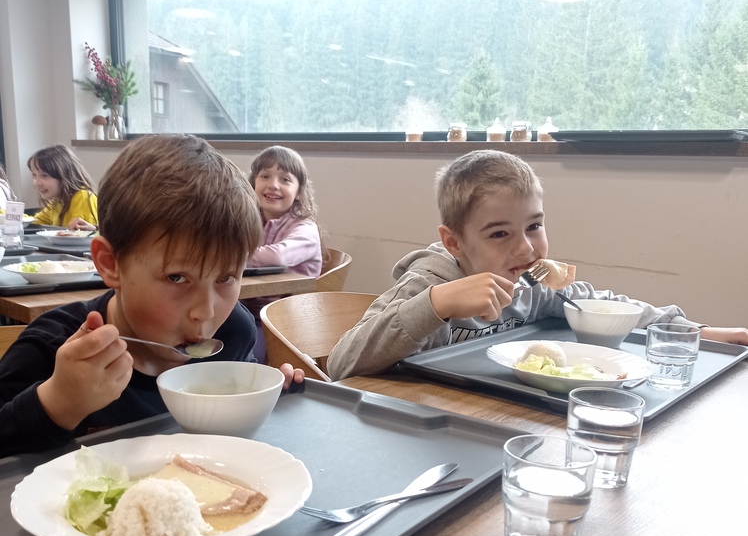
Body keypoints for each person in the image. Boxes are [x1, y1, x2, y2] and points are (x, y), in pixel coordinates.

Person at [0, 134, 303, 457]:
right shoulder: (51, 349)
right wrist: (58, 403)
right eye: (177, 277)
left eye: (226, 278)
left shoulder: (233, 331)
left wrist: (265, 393)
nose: (205, 312)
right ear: (110, 264)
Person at [327, 149, 748, 380]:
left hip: (499, 415)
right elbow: (342, 362)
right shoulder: (427, 282)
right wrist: (438, 303)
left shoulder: (533, 283)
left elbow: (601, 305)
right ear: (454, 242)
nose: (526, 248)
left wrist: (692, 330)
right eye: (499, 234)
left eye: (534, 226)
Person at [246, 145, 323, 359]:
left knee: (239, 342)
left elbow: (277, 256)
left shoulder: (305, 228)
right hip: (249, 310)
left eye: (285, 179)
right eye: (265, 176)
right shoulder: (251, 221)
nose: (273, 185)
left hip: (283, 320)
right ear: (253, 184)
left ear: (299, 192)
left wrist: (231, 255)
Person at [28, 144, 98, 230]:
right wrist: (13, 214)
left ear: (64, 176)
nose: (37, 183)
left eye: (45, 175)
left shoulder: (83, 197)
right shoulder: (58, 201)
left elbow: (79, 234)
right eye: (34, 175)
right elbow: (35, 222)